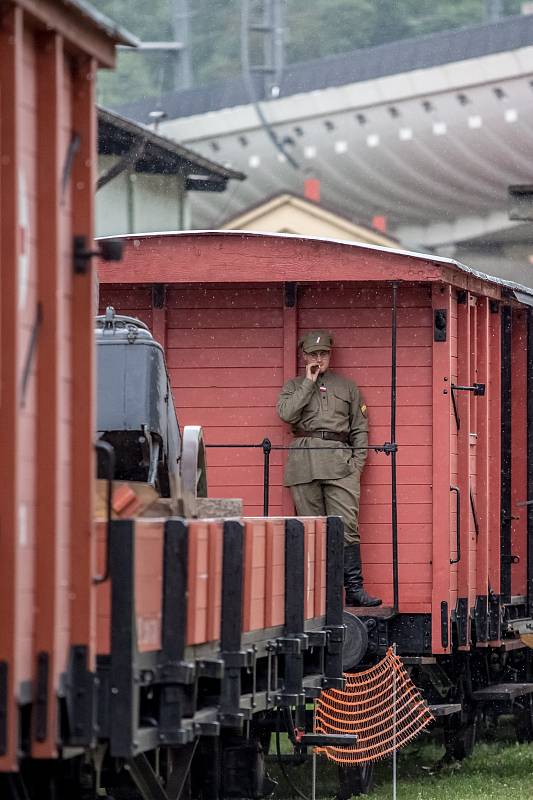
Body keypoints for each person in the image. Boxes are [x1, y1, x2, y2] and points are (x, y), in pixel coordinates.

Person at [276, 330, 381, 607]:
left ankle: (354, 590)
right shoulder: (294, 386)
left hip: (339, 461)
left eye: (323, 354)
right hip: (304, 463)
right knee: (312, 529)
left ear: (330, 355)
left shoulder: (347, 387)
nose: (318, 358)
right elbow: (286, 414)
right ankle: (318, 595)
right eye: (313, 354)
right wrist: (308, 383)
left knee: (346, 526)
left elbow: (359, 429)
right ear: (304, 355)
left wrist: (357, 465)